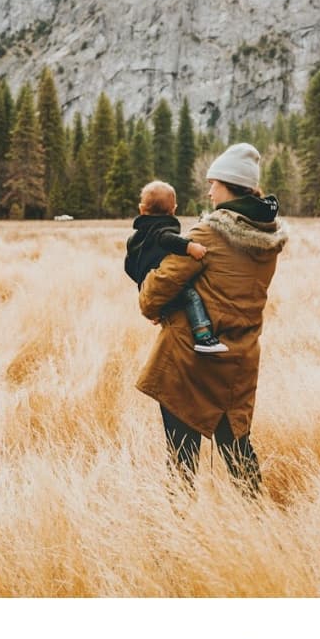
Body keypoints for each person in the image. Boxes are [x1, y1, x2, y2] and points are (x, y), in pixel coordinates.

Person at [135, 142, 288, 493]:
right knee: (237, 452)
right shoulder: (268, 237)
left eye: (214, 183)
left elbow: (155, 292)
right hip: (239, 361)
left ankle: (181, 537)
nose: (208, 191)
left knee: (182, 460)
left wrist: (154, 302)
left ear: (230, 186)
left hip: (190, 362)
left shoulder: (207, 234)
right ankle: (258, 526)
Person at [123, 179, 228, 354]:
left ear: (141, 209)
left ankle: (160, 312)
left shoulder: (134, 239)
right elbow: (167, 239)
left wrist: (143, 285)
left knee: (171, 307)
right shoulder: (162, 229)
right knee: (191, 296)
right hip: (164, 284)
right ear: (174, 210)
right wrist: (190, 247)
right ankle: (203, 336)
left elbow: (128, 266)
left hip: (147, 287)